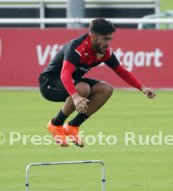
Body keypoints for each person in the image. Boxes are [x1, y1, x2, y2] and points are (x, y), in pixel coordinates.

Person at [39, 18, 156, 147]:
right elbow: (64, 74)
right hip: (49, 83)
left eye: (110, 39)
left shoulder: (104, 52)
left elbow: (121, 71)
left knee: (106, 89)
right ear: (93, 36)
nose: (108, 43)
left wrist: (142, 87)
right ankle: (56, 124)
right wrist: (76, 96)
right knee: (83, 89)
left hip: (73, 82)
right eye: (105, 39)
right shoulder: (77, 48)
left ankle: (72, 126)